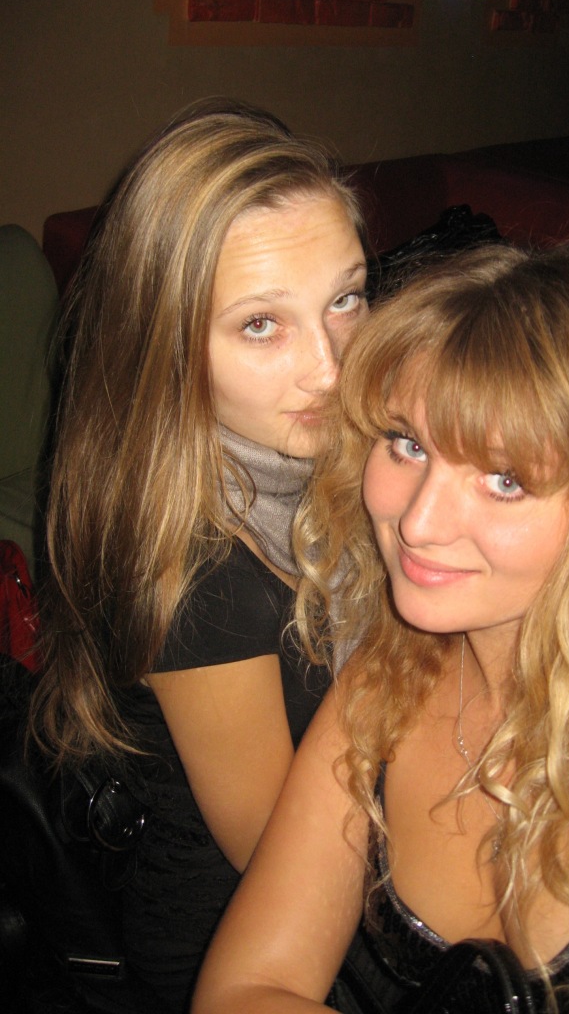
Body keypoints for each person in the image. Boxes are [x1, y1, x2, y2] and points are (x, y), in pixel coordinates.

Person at [192, 243, 569, 1014]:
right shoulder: (388, 679)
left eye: (505, 479)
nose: (418, 523)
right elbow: (243, 989)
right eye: (408, 445)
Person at [25, 99, 368, 1012]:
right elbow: (285, 863)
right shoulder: (201, 575)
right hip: (235, 938)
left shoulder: (328, 451)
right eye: (261, 325)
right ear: (163, 341)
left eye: (345, 298)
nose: (331, 367)